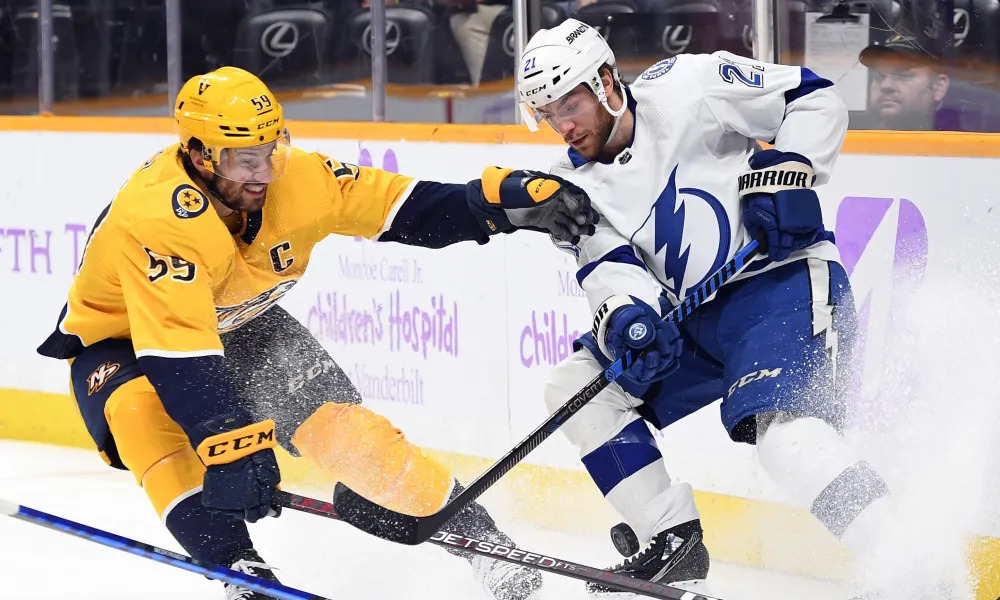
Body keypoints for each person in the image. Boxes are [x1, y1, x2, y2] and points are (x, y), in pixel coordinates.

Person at [37, 66, 595, 600]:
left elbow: (401, 207)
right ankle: (241, 573)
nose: (261, 173)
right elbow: (179, 350)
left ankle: (484, 544)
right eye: (241, 159)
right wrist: (231, 444)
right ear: (200, 154)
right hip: (127, 342)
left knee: (350, 436)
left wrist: (495, 205)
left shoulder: (295, 177)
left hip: (242, 323)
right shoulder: (158, 218)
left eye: (267, 151)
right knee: (145, 421)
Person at [516, 19, 896, 595]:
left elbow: (813, 96)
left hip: (779, 286)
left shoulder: (688, 85)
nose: (562, 125)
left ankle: (915, 561)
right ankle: (671, 539)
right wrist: (626, 315)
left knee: (788, 441)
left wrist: (790, 169)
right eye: (547, 112)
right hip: (692, 322)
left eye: (568, 102)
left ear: (605, 82)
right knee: (576, 389)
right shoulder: (569, 185)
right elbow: (607, 264)